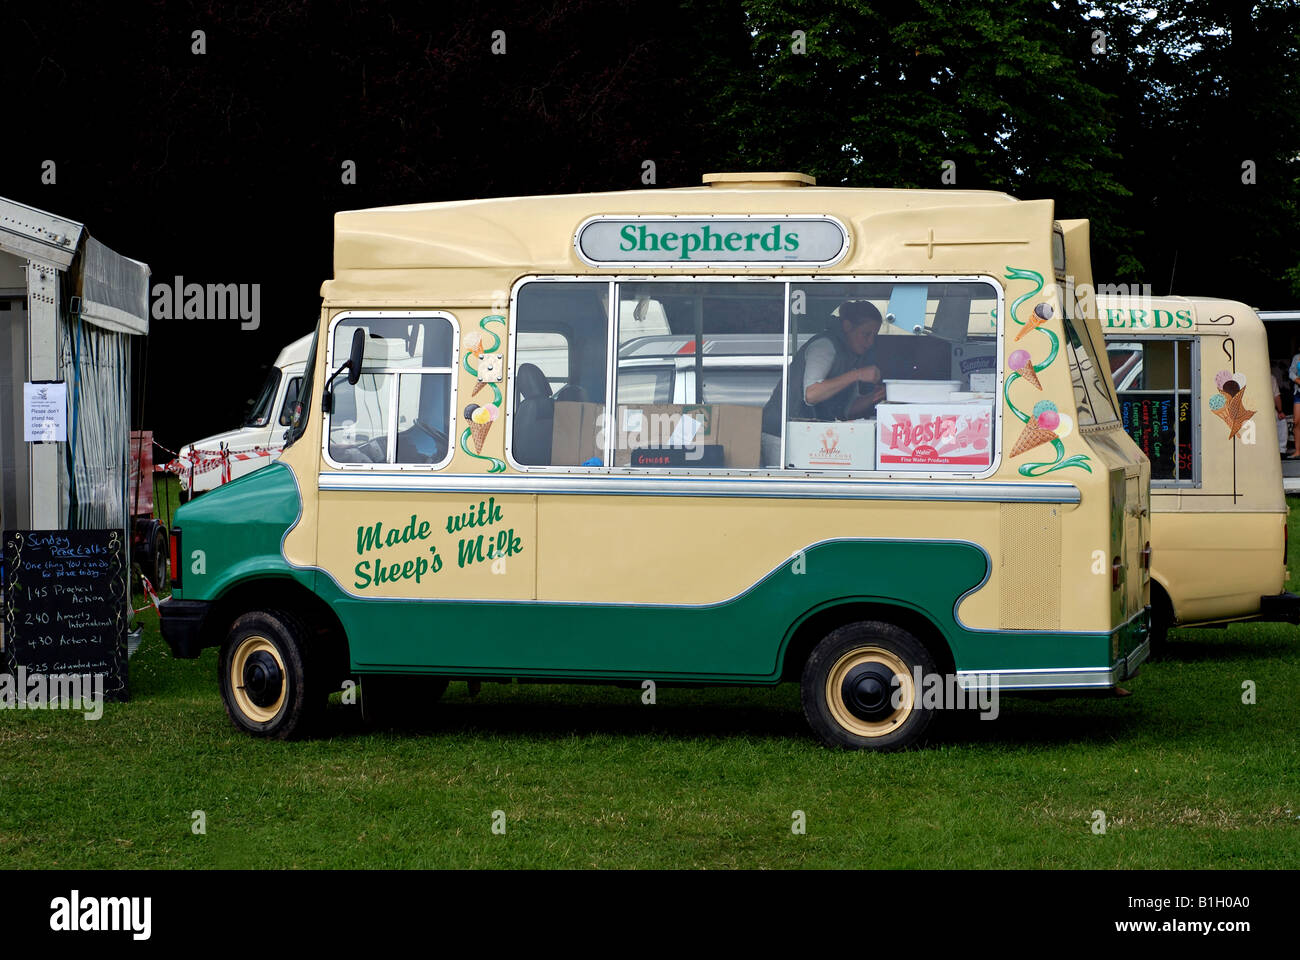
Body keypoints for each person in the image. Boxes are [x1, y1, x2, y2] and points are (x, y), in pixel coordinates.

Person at [761, 300, 885, 465]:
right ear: (848, 327)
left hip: (809, 433)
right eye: (865, 334)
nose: (870, 342)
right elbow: (811, 394)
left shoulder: (851, 355)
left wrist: (875, 397)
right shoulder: (825, 346)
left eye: (874, 336)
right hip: (782, 435)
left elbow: (846, 410)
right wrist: (857, 374)